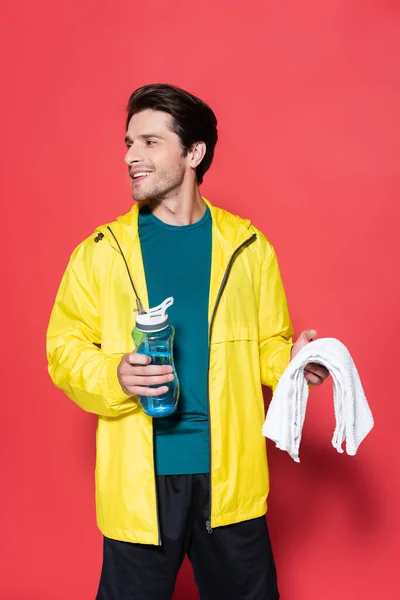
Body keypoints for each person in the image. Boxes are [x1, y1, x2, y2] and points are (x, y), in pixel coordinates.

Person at [46, 83, 329, 600]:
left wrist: (292, 361)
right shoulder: (100, 253)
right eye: (129, 143)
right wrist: (114, 376)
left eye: (150, 143)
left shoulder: (248, 247)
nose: (132, 156)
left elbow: (267, 343)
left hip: (230, 482)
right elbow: (63, 350)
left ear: (194, 154)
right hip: (139, 486)